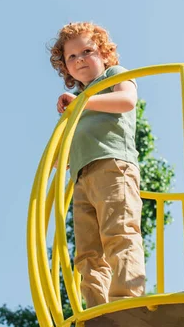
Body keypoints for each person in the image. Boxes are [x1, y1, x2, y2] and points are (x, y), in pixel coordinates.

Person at [49, 22, 146, 308]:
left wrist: (83, 102)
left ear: (104, 53)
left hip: (114, 167)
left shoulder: (114, 76)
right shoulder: (77, 104)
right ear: (66, 68)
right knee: (87, 252)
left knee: (119, 232)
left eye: (87, 51)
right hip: (82, 178)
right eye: (72, 57)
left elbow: (127, 100)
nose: (80, 59)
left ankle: (127, 302)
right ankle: (98, 311)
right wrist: (60, 157)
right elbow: (67, 149)